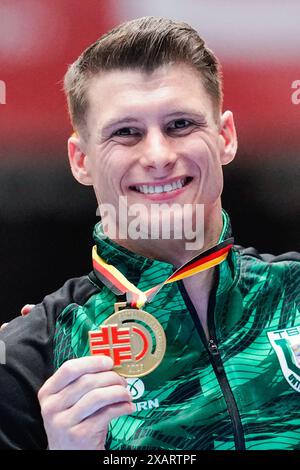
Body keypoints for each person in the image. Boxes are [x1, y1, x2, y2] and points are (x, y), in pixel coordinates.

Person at [0, 16, 299, 451]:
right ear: (80, 160)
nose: (158, 155)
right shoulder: (28, 360)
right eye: (126, 133)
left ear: (225, 137)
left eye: (180, 125)